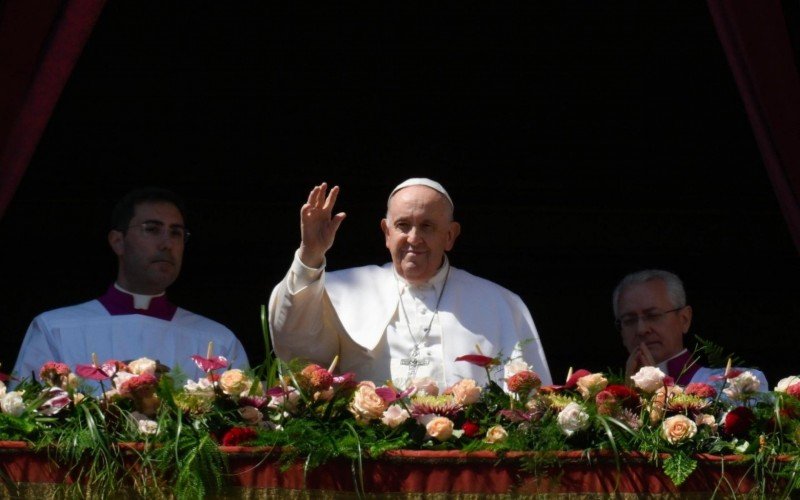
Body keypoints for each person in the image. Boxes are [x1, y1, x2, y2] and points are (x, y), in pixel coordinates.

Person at [268, 178, 552, 390]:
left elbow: (528, 400)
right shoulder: (339, 290)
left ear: (450, 236)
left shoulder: (498, 303)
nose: (414, 238)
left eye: (427, 226)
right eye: (403, 225)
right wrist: (311, 254)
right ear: (386, 233)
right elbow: (293, 342)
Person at [12, 187, 249, 386]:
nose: (167, 243)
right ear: (118, 241)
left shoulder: (217, 341)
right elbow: (25, 425)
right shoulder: (55, 329)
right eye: (152, 229)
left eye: (176, 233)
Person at [613, 269, 767, 388]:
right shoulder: (601, 406)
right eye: (629, 320)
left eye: (653, 315)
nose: (641, 329)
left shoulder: (739, 384)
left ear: (684, 319)